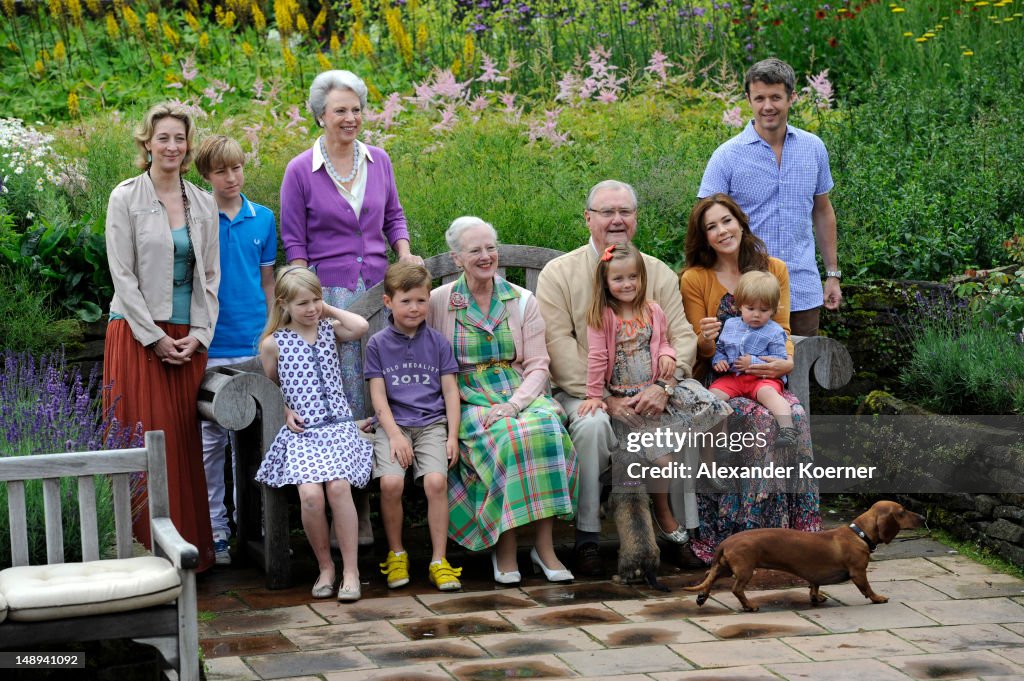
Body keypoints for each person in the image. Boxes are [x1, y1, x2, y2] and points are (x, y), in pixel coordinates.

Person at [536, 179, 720, 575]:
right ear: (588, 218)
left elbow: (683, 336)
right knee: (590, 426)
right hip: (584, 391)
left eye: (625, 212)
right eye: (607, 212)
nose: (617, 220)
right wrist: (605, 397)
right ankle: (586, 536)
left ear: (636, 219)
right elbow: (557, 345)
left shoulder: (655, 271)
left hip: (652, 389)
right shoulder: (559, 273)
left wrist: (664, 386)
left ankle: (681, 531)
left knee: (688, 422)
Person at [280, 69, 422, 542]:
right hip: (332, 299)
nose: (351, 118)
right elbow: (294, 242)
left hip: (377, 292)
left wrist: (403, 254)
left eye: (356, 109)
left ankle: (376, 501)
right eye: (340, 110)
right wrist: (308, 301)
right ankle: (355, 513)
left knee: (376, 390)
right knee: (342, 400)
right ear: (320, 115)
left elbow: (395, 216)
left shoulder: (378, 160)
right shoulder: (301, 169)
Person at [428, 216, 577, 585]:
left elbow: (539, 365)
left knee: (546, 428)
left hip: (517, 391)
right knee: (508, 437)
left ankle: (543, 549)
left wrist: (516, 403)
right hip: (466, 398)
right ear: (457, 258)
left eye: (490, 248)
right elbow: (429, 361)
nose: (485, 256)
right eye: (475, 250)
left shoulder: (521, 299)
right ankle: (504, 546)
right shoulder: (439, 302)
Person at [103, 102, 219, 572]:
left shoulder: (203, 202)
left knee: (181, 445)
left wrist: (198, 335)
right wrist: (153, 337)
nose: (172, 146)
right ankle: (139, 558)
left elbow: (210, 276)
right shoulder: (125, 197)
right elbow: (122, 276)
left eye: (180, 138)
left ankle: (188, 556)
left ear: (188, 146)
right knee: (144, 439)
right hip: (136, 336)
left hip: (184, 341)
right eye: (163, 137)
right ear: (146, 143)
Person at [680, 193, 821, 564]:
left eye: (727, 221)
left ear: (741, 222)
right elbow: (697, 351)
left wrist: (785, 365)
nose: (722, 231)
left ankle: (796, 531)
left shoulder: (774, 269)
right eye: (711, 227)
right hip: (722, 377)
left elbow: (785, 332)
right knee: (758, 421)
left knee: (795, 416)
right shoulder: (695, 279)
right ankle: (742, 531)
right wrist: (707, 342)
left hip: (767, 375)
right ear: (704, 237)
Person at [578, 243, 730, 536]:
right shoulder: (602, 316)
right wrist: (596, 396)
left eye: (633, 277)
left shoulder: (653, 310)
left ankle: (709, 467)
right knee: (664, 462)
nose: (627, 284)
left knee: (713, 405)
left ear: (641, 278)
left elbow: (663, 341)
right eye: (618, 279)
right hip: (630, 400)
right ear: (606, 282)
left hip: (658, 389)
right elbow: (597, 359)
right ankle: (662, 512)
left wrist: (667, 355)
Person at [698, 57, 842, 336]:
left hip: (802, 286)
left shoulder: (813, 148)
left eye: (776, 97)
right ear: (748, 99)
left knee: (800, 369)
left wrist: (832, 275)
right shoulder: (726, 156)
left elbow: (823, 211)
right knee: (748, 370)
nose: (767, 106)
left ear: (792, 98)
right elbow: (705, 223)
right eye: (759, 97)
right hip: (746, 291)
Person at [254, 267, 373, 602]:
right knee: (311, 496)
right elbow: (274, 385)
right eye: (303, 303)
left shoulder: (328, 330)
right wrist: (286, 409)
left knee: (337, 487)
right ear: (283, 304)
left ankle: (351, 571)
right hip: (304, 434)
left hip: (338, 428)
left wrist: (328, 308)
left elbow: (360, 326)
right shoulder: (272, 344)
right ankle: (326, 567)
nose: (311, 308)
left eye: (315, 300)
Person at [194, 134, 278, 566]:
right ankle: (217, 530)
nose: (232, 177)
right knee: (211, 443)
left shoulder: (263, 219)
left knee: (258, 440)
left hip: (252, 344)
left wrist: (267, 337)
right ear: (206, 175)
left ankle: (258, 523)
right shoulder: (195, 218)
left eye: (237, 168)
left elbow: (268, 284)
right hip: (209, 346)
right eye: (222, 170)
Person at [364, 263, 463, 592]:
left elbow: (450, 391)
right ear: (388, 301)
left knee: (436, 481)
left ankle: (439, 560)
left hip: (432, 425)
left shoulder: (437, 343)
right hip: (394, 426)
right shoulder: (378, 344)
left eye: (421, 301)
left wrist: (452, 436)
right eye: (406, 301)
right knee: (391, 484)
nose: (415, 308)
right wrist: (393, 434)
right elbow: (378, 395)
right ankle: (397, 553)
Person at [708, 271, 798, 449]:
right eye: (750, 308)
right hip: (734, 378)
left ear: (773, 310)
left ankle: (787, 429)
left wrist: (754, 362)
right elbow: (719, 348)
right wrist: (719, 361)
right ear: (739, 306)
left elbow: (779, 361)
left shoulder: (774, 331)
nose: (756, 314)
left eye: (764, 310)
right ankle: (722, 438)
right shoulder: (730, 326)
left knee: (769, 395)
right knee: (713, 395)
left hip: (763, 379)